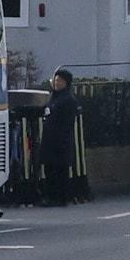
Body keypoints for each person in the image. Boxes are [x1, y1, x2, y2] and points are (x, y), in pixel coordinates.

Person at [39, 69, 81, 207]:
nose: (56, 83)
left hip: (61, 140)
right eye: (56, 80)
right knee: (49, 169)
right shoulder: (53, 97)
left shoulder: (69, 100)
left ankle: (61, 197)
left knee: (60, 169)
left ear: (66, 82)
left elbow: (66, 121)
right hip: (49, 139)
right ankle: (51, 196)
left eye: (60, 81)